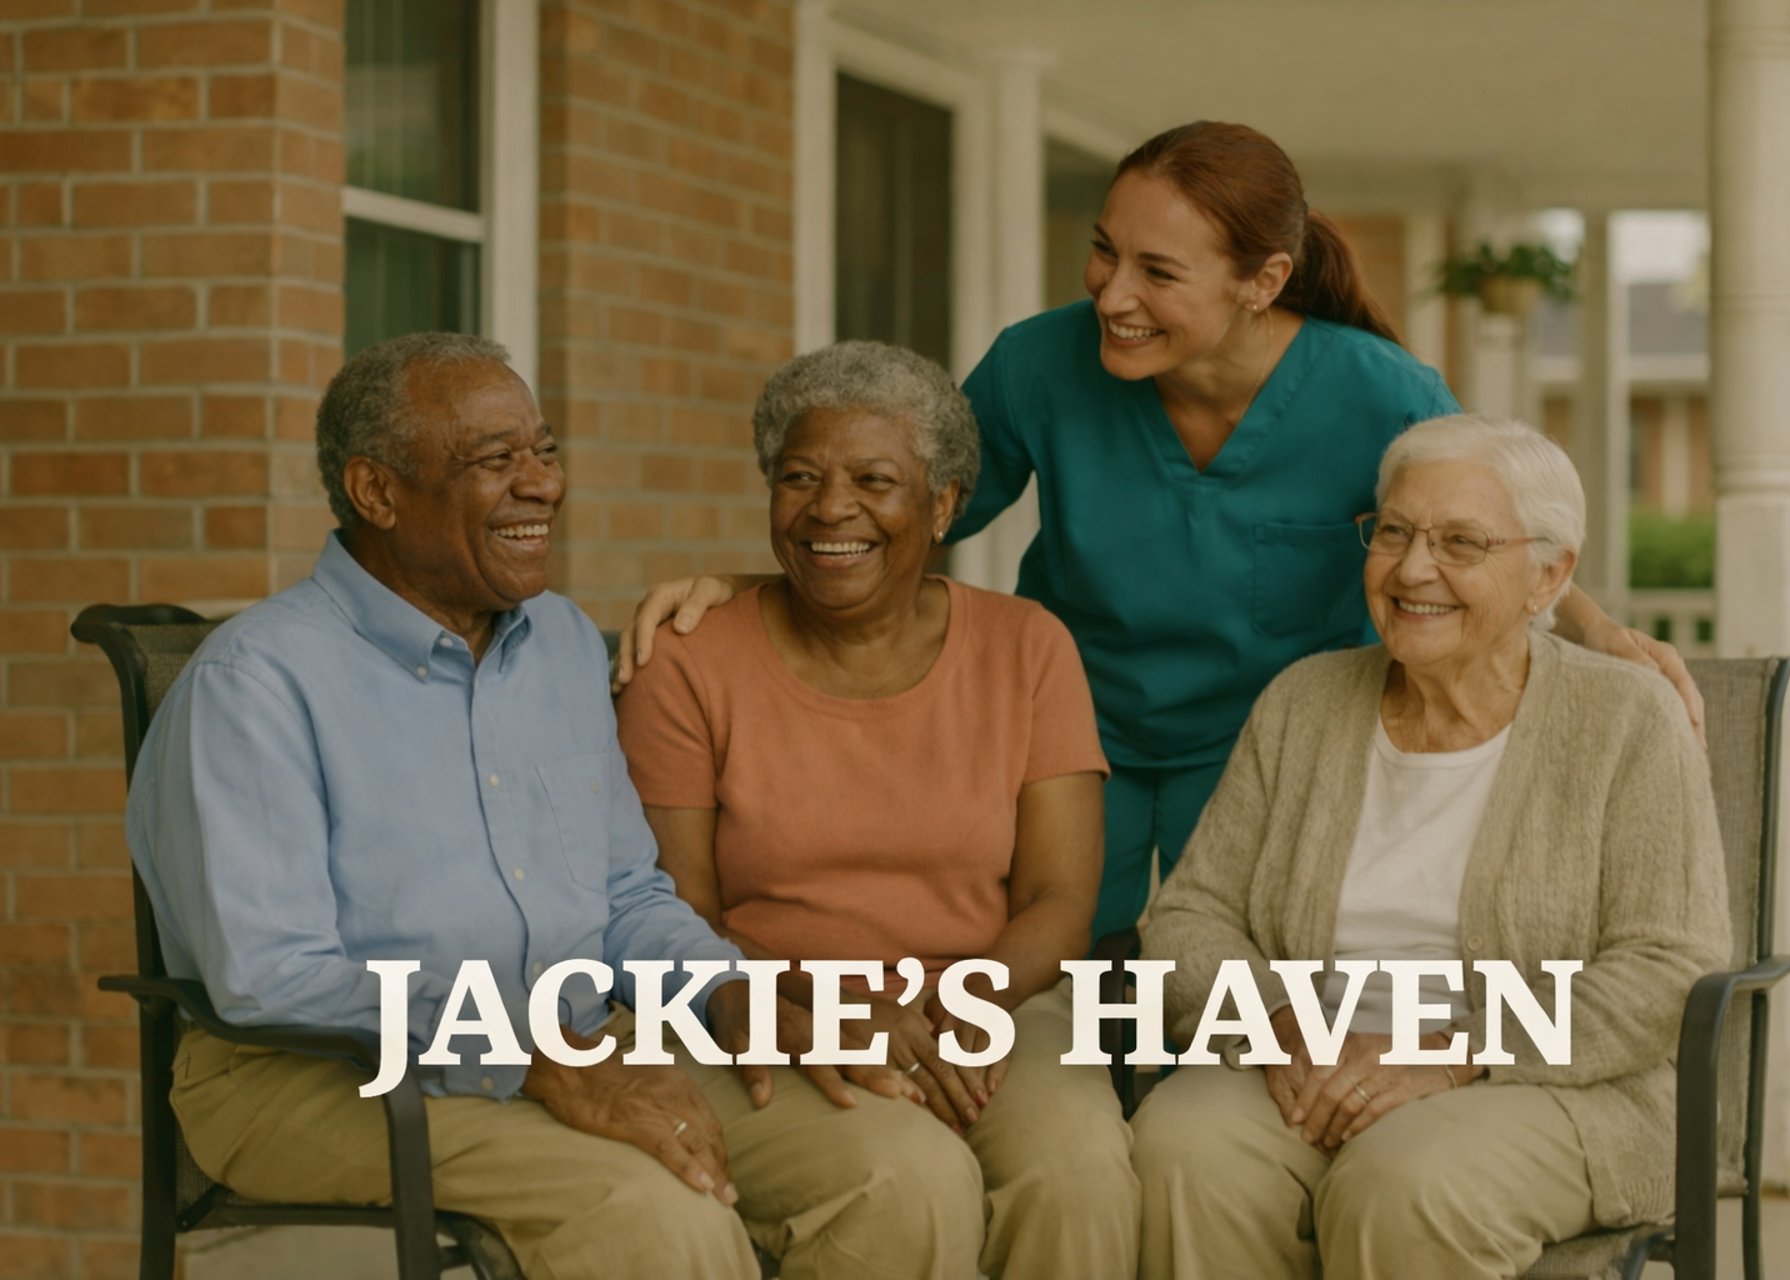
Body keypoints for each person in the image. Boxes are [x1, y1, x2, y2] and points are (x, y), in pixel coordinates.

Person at [612, 121, 1704, 943]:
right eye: (1104, 251)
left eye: (1158, 273)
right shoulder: (1041, 364)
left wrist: (1594, 628)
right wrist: (745, 585)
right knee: (1064, 999)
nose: (1111, 294)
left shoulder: (1379, 392)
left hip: (1271, 750)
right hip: (1071, 737)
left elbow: (1487, 533)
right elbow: (894, 516)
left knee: (1227, 1009)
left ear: (1263, 282)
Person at [126, 332, 981, 1280]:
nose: (543, 485)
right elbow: (275, 977)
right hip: (326, 1075)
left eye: (544, 451)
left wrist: (730, 990)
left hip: (589, 1036)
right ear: (377, 491)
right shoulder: (255, 684)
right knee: (664, 1216)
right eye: (497, 460)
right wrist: (533, 1057)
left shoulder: (561, 642)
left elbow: (625, 896)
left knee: (908, 1169)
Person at [1129, 416, 1731, 1280]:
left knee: (1403, 1182)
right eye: (1395, 533)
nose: (1413, 569)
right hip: (1311, 1064)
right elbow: (1192, 915)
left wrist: (1450, 1054)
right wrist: (1283, 1023)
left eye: (1460, 543)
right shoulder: (1303, 702)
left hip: (1551, 1086)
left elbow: (1666, 967)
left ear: (1548, 575)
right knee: (1181, 1146)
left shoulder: (1628, 720)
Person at [616, 340, 1139, 1280]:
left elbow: (1059, 900)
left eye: (873, 480)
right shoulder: (688, 661)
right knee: (908, 1177)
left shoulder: (1027, 647)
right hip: (762, 1012)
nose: (830, 508)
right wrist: (843, 1013)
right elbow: (679, 915)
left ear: (943, 504)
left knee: (1080, 1172)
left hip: (991, 1002)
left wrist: (950, 1011)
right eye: (799, 477)